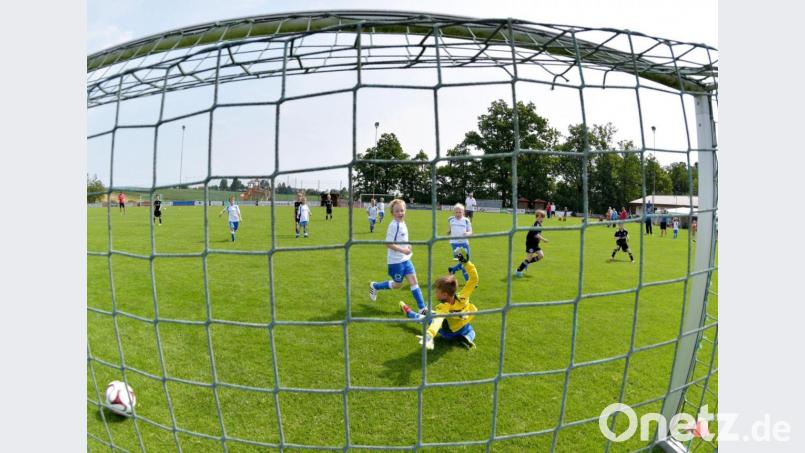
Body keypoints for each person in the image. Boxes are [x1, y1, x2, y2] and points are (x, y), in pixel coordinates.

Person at [400, 248, 478, 350]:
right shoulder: (464, 296)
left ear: (445, 295)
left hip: (448, 333)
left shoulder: (443, 307)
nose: (435, 292)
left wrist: (429, 334)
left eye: (437, 291)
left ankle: (409, 312)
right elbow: (474, 279)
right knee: (471, 331)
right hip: (463, 327)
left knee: (427, 318)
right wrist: (466, 263)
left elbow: (437, 321)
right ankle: (467, 337)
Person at [369, 199, 428, 315]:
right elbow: (388, 244)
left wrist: (408, 246)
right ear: (392, 213)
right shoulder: (393, 225)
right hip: (395, 262)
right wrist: (403, 250)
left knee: (414, 281)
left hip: (406, 259)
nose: (400, 213)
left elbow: (402, 240)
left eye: (402, 210)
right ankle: (375, 286)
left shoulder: (403, 223)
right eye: (397, 211)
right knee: (397, 284)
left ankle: (422, 308)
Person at [515, 210, 549, 278]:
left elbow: (537, 235)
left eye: (542, 217)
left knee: (541, 255)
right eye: (540, 217)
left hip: (535, 244)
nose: (541, 218)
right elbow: (536, 235)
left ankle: (527, 263)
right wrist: (543, 239)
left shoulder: (539, 225)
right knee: (529, 257)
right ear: (536, 218)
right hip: (530, 243)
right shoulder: (536, 224)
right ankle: (518, 271)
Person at [446, 203, 472, 281]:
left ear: (463, 212)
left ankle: (452, 269)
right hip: (455, 244)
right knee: (464, 262)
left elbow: (470, 231)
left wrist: (467, 233)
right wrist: (448, 232)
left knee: (466, 261)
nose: (458, 214)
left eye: (460, 212)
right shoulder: (451, 219)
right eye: (456, 212)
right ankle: (468, 280)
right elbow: (449, 229)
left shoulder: (466, 220)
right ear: (454, 212)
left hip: (465, 243)